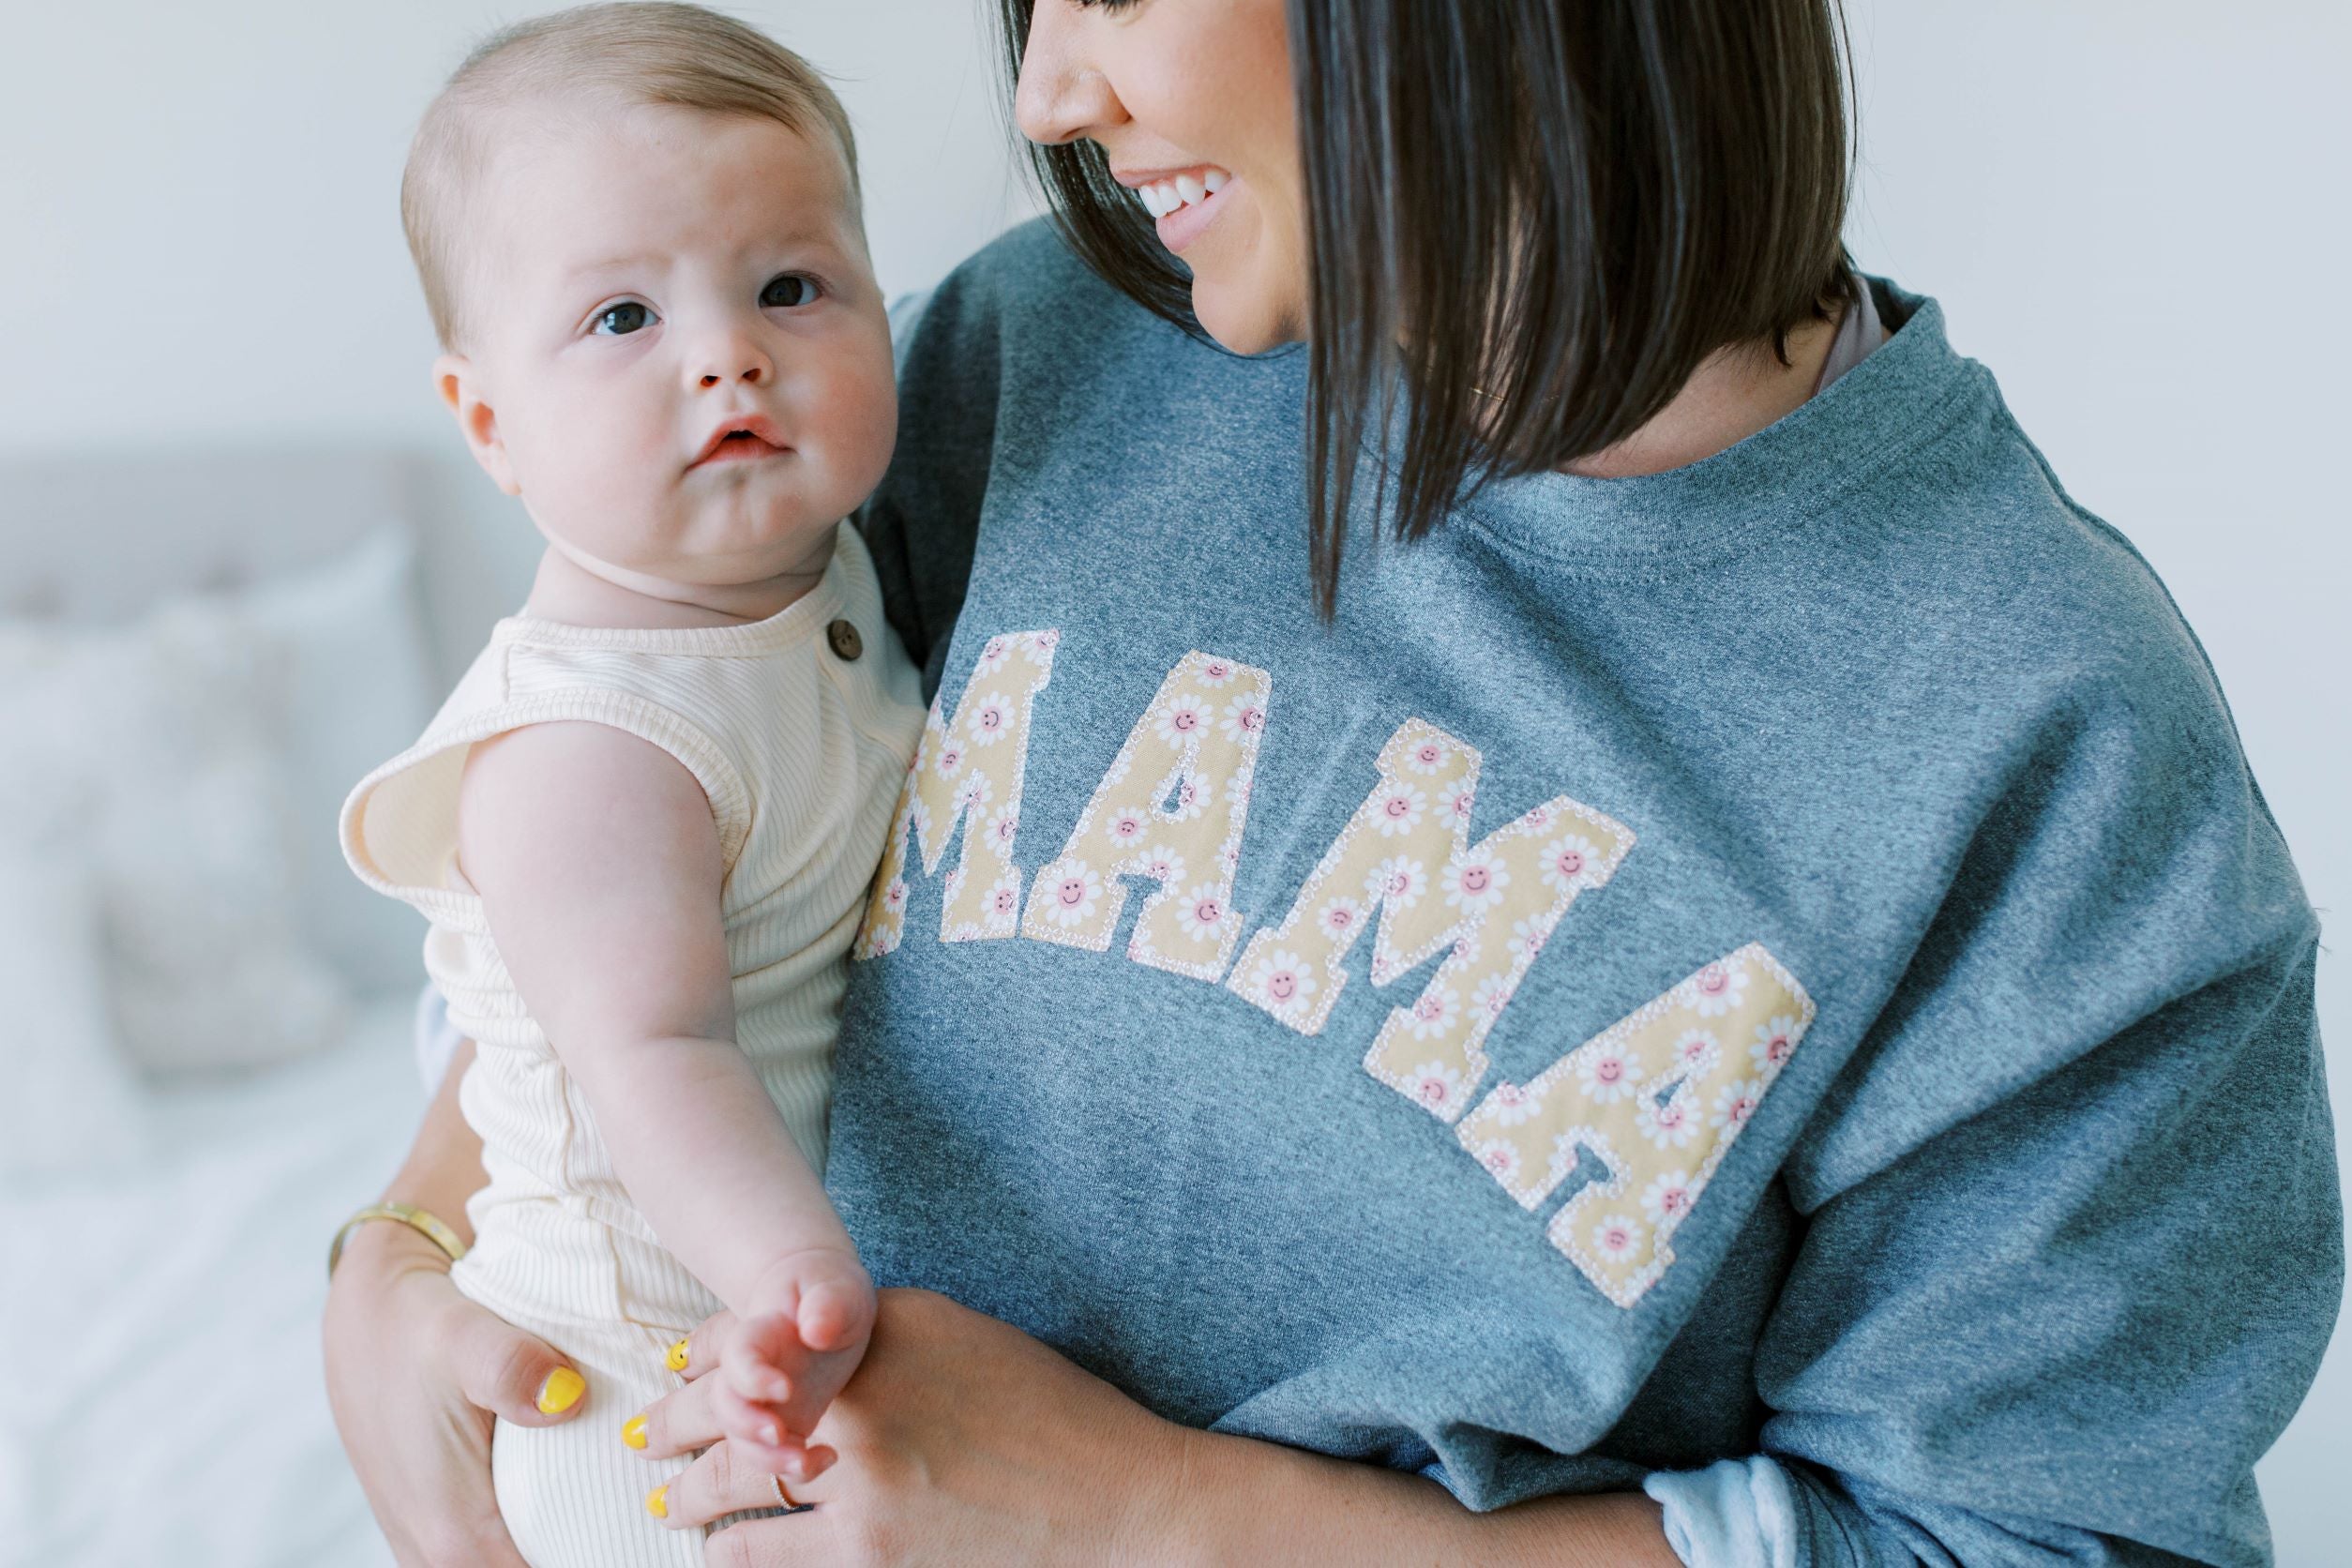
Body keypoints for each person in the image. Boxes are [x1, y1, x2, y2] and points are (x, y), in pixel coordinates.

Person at [324, 0, 2344, 1562]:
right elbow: (658, 812)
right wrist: (405, 1248)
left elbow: (2036, 1537)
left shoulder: (2051, 745)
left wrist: (1150, 1520)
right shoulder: (1030, 358)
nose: (1050, 94)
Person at [333, 8, 926, 1562]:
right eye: (621, 318)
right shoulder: (588, 742)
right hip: (642, 1390)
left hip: (753, 1359)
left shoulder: (814, 568)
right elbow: (652, 1051)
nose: (729, 352)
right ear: (490, 423)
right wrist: (793, 1276)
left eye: (790, 287)